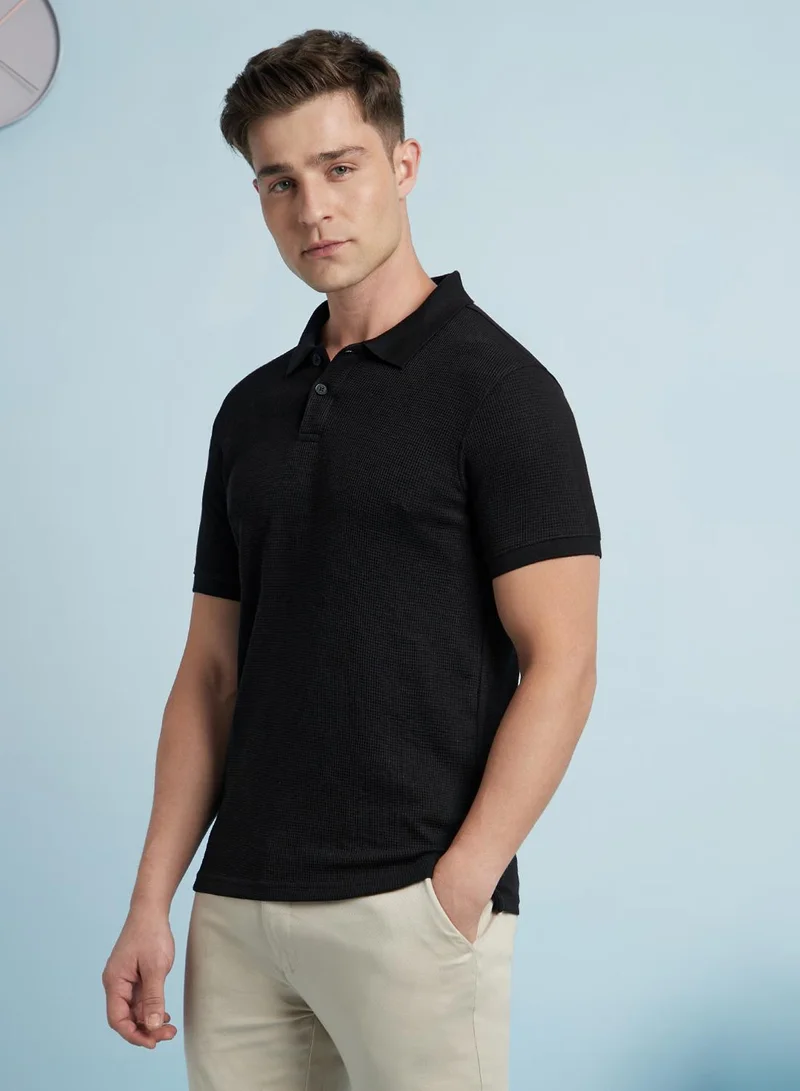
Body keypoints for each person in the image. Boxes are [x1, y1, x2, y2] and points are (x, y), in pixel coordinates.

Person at [101, 27, 602, 1091]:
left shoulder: (501, 392)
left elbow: (561, 662)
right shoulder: (249, 412)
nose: (312, 209)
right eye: (279, 182)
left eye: (339, 168)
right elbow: (210, 672)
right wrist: (154, 898)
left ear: (402, 164)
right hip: (238, 909)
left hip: (408, 904)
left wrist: (458, 886)